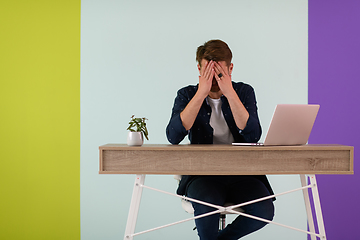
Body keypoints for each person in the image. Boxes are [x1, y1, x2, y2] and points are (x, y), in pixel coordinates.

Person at [166, 39, 275, 240]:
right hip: (202, 174)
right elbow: (173, 136)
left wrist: (229, 92)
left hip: (242, 173)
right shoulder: (186, 94)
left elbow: (253, 135)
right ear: (198, 68)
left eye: (219, 72)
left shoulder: (243, 92)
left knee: (264, 210)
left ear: (230, 68)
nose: (214, 78)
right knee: (208, 204)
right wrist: (201, 93)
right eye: (207, 71)